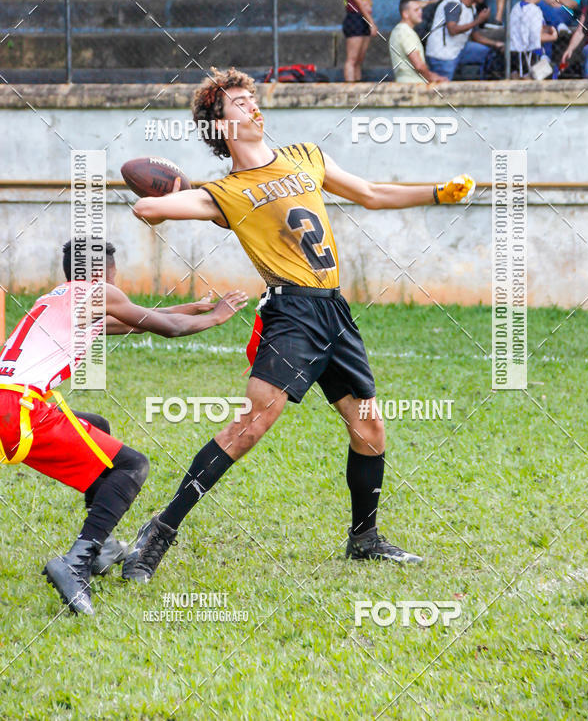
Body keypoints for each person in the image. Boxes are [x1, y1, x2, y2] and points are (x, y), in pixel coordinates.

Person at [124, 67, 476, 582]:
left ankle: (365, 538)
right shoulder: (226, 193)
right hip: (291, 315)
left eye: (252, 97)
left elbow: (372, 192)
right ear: (220, 126)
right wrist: (170, 194)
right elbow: (148, 207)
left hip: (333, 309)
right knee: (250, 427)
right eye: (239, 103)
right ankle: (159, 530)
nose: (253, 106)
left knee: (370, 426)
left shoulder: (305, 157)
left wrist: (439, 192)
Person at [0, 239, 247, 615]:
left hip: (11, 404)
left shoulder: (56, 298)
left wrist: (191, 308)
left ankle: (99, 548)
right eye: (115, 274)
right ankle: (77, 561)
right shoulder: (99, 293)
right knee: (132, 465)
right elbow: (168, 328)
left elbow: (134, 320)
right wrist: (215, 317)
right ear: (102, 275)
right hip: (19, 411)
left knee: (96, 426)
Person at [425, 0, 503, 80]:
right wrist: (478, 21)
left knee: (487, 53)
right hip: (442, 54)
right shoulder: (454, 4)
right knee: (443, 89)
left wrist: (496, 44)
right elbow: (452, 30)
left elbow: (476, 37)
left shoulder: (472, 10)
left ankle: (481, 85)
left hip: (459, 49)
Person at [389, 0, 448, 83]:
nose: (420, 12)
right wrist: (432, 78)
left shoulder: (398, 30)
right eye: (416, 10)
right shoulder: (405, 32)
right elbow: (419, 65)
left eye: (420, 9)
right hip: (413, 85)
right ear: (405, 14)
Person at [510, 0, 558, 76]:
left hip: (514, 53)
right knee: (553, 69)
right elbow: (535, 37)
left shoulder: (516, 7)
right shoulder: (534, 10)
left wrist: (546, 28)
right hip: (530, 54)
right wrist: (553, 37)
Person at [342, 0, 377, 82]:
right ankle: (350, 92)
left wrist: (368, 4)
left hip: (364, 17)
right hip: (354, 17)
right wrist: (372, 23)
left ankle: (358, 91)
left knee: (359, 60)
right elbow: (358, 1)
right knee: (352, 59)